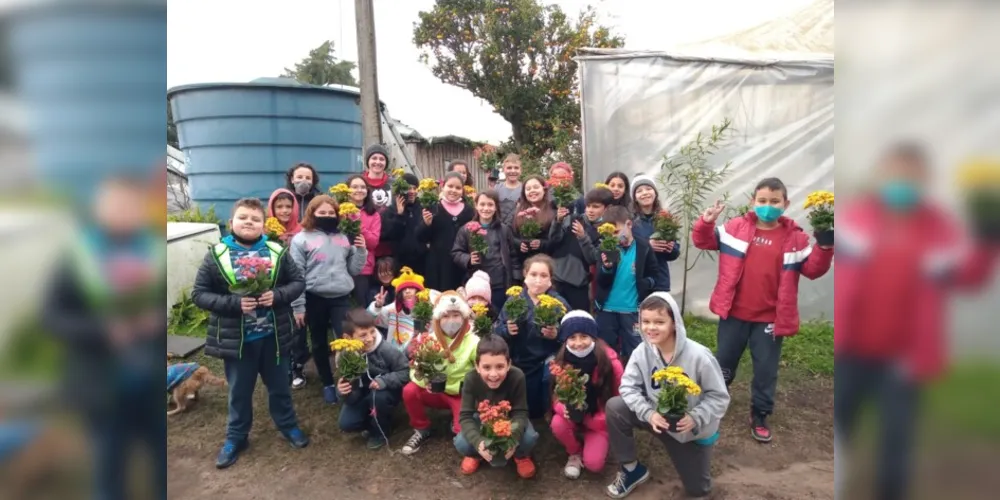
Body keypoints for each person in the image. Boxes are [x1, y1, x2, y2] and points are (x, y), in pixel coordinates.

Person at [834, 144, 999, 500]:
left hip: (903, 359)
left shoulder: (939, 228)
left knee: (896, 441)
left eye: (911, 176)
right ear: (879, 175)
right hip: (849, 351)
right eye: (895, 175)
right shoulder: (856, 218)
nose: (901, 183)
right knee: (838, 430)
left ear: (925, 180)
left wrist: (988, 240)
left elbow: (968, 277)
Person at [42, 176, 166, 499]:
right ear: (100, 208)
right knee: (109, 466)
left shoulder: (152, 250)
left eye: (131, 205)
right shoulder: (77, 255)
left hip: (150, 383)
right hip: (103, 386)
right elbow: (52, 317)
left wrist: (156, 320)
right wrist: (103, 331)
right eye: (115, 204)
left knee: (160, 464)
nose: (124, 212)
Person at [692, 178, 834, 442]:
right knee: (723, 364)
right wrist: (706, 222)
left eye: (774, 201)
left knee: (765, 370)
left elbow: (814, 270)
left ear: (785, 204)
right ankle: (712, 406)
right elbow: (703, 241)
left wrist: (825, 247)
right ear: (752, 202)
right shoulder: (735, 228)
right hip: (733, 314)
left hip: (770, 319)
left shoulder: (796, 239)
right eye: (763, 201)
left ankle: (760, 414)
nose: (768, 206)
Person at [191, 197, 310, 469]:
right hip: (239, 341)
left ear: (263, 225)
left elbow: (298, 282)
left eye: (255, 219)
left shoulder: (276, 251)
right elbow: (199, 294)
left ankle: (288, 426)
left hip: (273, 338)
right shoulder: (217, 254)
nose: (249, 222)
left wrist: (276, 296)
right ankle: (236, 437)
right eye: (243, 218)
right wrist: (234, 303)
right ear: (231, 222)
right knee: (239, 392)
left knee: (280, 387)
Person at [605, 292, 730, 499]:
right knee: (615, 407)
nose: (651, 328)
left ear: (674, 323)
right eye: (645, 321)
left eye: (659, 322)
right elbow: (627, 386)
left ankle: (694, 459)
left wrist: (695, 417)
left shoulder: (699, 356)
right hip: (657, 418)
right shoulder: (642, 351)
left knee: (698, 491)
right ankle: (631, 469)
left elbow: (719, 397)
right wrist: (648, 413)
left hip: (687, 429)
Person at [289, 195, 369, 405]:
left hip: (340, 296)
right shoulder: (301, 239)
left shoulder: (344, 237)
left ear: (337, 214)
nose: (326, 216)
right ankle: (328, 383)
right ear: (312, 214)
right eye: (321, 213)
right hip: (314, 297)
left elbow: (354, 269)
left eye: (330, 213)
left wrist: (361, 249)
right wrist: (298, 306)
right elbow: (296, 275)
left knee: (346, 340)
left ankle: (348, 379)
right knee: (318, 343)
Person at [401, 291, 481, 456]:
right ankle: (421, 428)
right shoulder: (429, 340)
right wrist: (426, 383)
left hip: (459, 393)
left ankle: (457, 420)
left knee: (463, 435)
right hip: (434, 392)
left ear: (464, 317)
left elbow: (480, 374)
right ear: (437, 319)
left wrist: (457, 388)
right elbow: (415, 369)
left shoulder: (474, 342)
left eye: (456, 315)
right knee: (410, 391)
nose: (451, 320)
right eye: (445, 316)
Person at [549, 311, 624, 479]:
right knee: (558, 423)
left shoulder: (611, 364)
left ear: (593, 337)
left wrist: (595, 420)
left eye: (584, 336)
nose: (578, 343)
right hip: (573, 417)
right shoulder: (560, 362)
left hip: (599, 420)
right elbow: (555, 397)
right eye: (572, 337)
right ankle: (574, 452)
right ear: (565, 339)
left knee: (594, 465)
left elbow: (621, 401)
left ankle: (594, 439)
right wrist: (563, 409)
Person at [496, 254, 569, 419]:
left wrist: (557, 335)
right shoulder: (514, 301)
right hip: (519, 359)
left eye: (543, 276)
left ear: (550, 279)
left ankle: (550, 408)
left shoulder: (558, 304)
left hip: (546, 361)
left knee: (542, 398)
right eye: (533, 274)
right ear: (524, 275)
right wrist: (506, 330)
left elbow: (571, 334)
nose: (538, 280)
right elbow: (496, 330)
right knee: (526, 406)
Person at [455, 335, 539, 478]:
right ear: (477, 366)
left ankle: (520, 455)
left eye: (500, 366)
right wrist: (478, 442)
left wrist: (513, 440)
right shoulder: (470, 378)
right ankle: (477, 454)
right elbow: (466, 416)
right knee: (461, 443)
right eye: (486, 367)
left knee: (529, 438)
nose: (493, 374)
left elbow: (520, 412)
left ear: (508, 364)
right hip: (483, 420)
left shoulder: (517, 376)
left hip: (510, 421)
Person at [335, 309, 410, 450]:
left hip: (385, 391)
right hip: (363, 393)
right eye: (363, 335)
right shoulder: (345, 355)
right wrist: (343, 391)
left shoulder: (386, 350)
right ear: (348, 337)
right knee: (346, 424)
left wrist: (384, 381)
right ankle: (375, 421)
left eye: (372, 331)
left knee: (378, 398)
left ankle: (380, 432)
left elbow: (405, 371)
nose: (370, 338)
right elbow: (350, 394)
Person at [594, 206, 660, 360]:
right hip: (607, 310)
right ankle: (610, 383)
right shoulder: (605, 248)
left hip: (632, 310)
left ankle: (634, 382)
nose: (614, 237)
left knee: (636, 351)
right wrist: (606, 268)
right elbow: (600, 280)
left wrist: (645, 284)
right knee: (605, 353)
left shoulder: (643, 247)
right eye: (609, 234)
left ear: (629, 225)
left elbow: (655, 274)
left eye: (616, 232)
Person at [267, 188, 308, 388]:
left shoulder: (302, 231)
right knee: (278, 331)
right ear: (272, 208)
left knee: (298, 329)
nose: (284, 211)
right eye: (279, 206)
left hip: (295, 287)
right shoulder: (265, 232)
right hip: (272, 290)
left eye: (288, 207)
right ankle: (280, 367)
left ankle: (297, 366)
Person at [451, 190, 518, 307]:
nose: (486, 208)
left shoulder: (504, 229)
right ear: (476, 206)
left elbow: (513, 255)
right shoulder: (466, 229)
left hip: (499, 283)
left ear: (496, 207)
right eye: (482, 204)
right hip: (476, 285)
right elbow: (456, 252)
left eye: (490, 204)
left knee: (497, 315)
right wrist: (468, 259)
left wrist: (516, 280)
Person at [549, 187, 605, 312]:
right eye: (588, 206)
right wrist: (557, 222)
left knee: (577, 322)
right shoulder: (573, 219)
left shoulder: (605, 230)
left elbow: (593, 259)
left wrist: (583, 237)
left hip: (579, 284)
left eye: (596, 207)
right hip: (557, 280)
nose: (590, 210)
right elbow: (553, 241)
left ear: (605, 208)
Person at [417, 172, 475, 291]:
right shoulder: (433, 207)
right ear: (443, 187)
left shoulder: (469, 211)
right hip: (437, 265)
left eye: (458, 188)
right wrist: (426, 224)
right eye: (450, 186)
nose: (453, 190)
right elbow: (420, 237)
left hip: (460, 264)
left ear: (462, 190)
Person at [630, 174, 681, 291]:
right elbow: (625, 248)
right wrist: (647, 245)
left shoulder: (665, 219)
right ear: (635, 198)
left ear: (655, 193)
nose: (645, 193)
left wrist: (671, 248)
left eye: (648, 189)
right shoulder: (630, 222)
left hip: (660, 280)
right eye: (639, 191)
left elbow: (675, 253)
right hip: (637, 280)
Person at [368, 266, 426, 352]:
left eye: (411, 288)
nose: (407, 291)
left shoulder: (428, 310)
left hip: (421, 355)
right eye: (404, 289)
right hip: (395, 357)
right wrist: (377, 306)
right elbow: (368, 319)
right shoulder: (393, 309)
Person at [345, 174, 382, 307]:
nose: (359, 190)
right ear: (347, 190)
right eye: (354, 187)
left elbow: (373, 242)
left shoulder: (374, 214)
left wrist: (357, 223)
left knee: (361, 306)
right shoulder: (339, 210)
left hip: (363, 268)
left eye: (362, 187)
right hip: (340, 266)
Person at [380, 173, 426, 275]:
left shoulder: (423, 208)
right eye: (409, 188)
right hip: (399, 262)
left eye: (415, 188)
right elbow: (389, 235)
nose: (412, 192)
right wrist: (399, 215)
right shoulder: (390, 210)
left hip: (421, 261)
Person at [513, 175, 556, 266]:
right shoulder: (517, 211)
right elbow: (510, 235)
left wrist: (542, 244)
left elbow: (558, 240)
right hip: (523, 264)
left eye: (536, 187)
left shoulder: (553, 211)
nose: (532, 191)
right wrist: (519, 244)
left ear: (544, 190)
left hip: (547, 264)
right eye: (528, 189)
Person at [362, 144, 393, 210]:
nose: (378, 162)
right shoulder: (360, 184)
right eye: (374, 158)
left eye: (382, 159)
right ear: (368, 161)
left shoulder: (394, 184)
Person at [496, 153, 523, 226]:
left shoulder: (525, 189)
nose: (513, 171)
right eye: (509, 168)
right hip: (500, 227)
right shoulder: (497, 188)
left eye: (516, 168)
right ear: (503, 170)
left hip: (518, 227)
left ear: (521, 170)